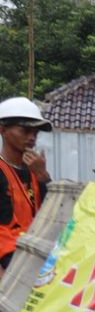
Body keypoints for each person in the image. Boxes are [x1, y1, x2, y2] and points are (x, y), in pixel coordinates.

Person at [0, 96, 50, 272]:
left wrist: (43, 176)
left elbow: (52, 213)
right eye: (25, 131)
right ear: (3, 130)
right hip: (9, 262)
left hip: (34, 256)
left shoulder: (36, 170)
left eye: (35, 133)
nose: (32, 137)